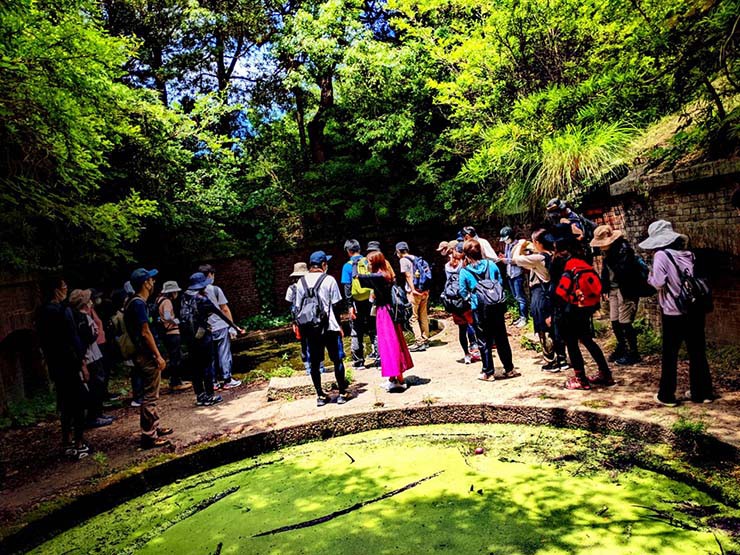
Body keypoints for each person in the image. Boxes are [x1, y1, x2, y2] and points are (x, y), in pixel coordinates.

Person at [639, 220, 714, 406]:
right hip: (695, 309)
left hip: (674, 312)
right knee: (697, 352)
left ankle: (667, 395)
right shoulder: (689, 254)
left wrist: (648, 275)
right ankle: (702, 393)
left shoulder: (661, 256)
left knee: (670, 354)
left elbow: (657, 282)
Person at [549, 228, 612, 390]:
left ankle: (581, 379)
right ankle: (605, 373)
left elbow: (557, 290)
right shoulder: (582, 257)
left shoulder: (559, 261)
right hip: (585, 306)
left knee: (571, 343)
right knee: (587, 340)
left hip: (567, 308)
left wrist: (553, 313)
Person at [37, 277, 90, 460]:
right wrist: (82, 363)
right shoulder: (63, 311)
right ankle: (79, 443)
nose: (66, 289)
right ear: (57, 289)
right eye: (64, 286)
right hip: (69, 363)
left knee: (65, 403)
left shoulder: (41, 312)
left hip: (55, 364)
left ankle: (66, 441)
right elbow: (74, 338)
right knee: (78, 403)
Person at [124, 268, 173, 449]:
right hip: (146, 355)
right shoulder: (138, 304)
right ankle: (149, 436)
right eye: (151, 280)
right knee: (150, 395)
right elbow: (145, 332)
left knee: (151, 393)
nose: (153, 282)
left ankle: (155, 427)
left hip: (141, 354)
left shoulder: (132, 302)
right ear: (145, 283)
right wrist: (158, 356)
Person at [293, 251, 351, 406]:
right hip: (330, 327)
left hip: (310, 330)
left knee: (314, 363)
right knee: (337, 359)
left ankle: (320, 395)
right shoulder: (329, 280)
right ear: (323, 265)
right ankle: (342, 393)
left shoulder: (301, 282)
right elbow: (337, 305)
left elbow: (297, 308)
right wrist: (339, 326)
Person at [458, 239, 517, 382]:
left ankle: (488, 372)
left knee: (484, 340)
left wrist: (472, 299)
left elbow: (462, 291)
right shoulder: (491, 265)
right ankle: (509, 369)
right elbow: (500, 283)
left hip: (479, 309)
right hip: (496, 306)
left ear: (466, 254)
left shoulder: (464, 272)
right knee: (501, 337)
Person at [181, 272, 242, 406]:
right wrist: (235, 327)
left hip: (190, 338)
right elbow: (220, 313)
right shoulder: (202, 299)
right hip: (203, 336)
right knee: (207, 366)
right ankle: (209, 395)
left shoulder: (184, 297)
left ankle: (200, 396)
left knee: (195, 368)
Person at [358, 251, 414, 391]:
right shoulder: (386, 274)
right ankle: (393, 378)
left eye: (370, 262)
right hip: (390, 311)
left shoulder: (379, 277)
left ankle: (399, 379)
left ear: (375, 262)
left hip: (384, 313)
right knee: (394, 342)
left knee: (389, 344)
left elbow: (358, 277)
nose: (368, 264)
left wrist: (355, 262)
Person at [513, 230, 567, 371]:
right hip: (553, 294)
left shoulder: (539, 258)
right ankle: (562, 359)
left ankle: (551, 361)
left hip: (541, 294)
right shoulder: (554, 255)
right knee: (555, 326)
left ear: (537, 243)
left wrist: (520, 244)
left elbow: (516, 259)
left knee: (544, 329)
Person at [590, 225, 645, 366]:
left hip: (626, 289)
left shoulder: (624, 251)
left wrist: (611, 259)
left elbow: (625, 273)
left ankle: (633, 352)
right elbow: (606, 272)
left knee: (625, 322)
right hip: (613, 289)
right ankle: (622, 347)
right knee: (614, 320)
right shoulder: (607, 253)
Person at [69, 289, 113, 428]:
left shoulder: (82, 317)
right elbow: (87, 337)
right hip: (90, 356)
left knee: (99, 384)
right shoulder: (81, 318)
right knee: (95, 385)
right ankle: (93, 416)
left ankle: (98, 413)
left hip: (94, 354)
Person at [198, 264, 243, 390]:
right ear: (210, 275)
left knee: (210, 356)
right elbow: (224, 309)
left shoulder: (196, 292)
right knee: (224, 353)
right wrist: (232, 326)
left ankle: (213, 382)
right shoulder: (215, 290)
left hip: (206, 328)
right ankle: (227, 379)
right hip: (221, 326)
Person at [341, 239, 376, 370]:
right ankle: (378, 358)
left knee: (356, 330)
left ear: (349, 251)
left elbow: (347, 287)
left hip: (356, 302)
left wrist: (349, 306)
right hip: (371, 300)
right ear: (360, 249)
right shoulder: (368, 261)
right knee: (374, 327)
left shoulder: (347, 266)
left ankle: (358, 362)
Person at [286, 262, 326, 375]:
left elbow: (291, 306)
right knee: (318, 341)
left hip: (300, 320)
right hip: (315, 318)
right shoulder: (311, 284)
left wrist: (293, 322)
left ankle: (308, 368)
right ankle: (321, 367)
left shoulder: (291, 288)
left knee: (304, 344)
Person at [443, 241, 479, 364]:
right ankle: (477, 349)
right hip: (464, 301)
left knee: (461, 330)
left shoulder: (447, 266)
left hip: (453, 302)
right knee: (474, 325)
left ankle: (466, 355)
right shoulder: (463, 266)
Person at [156, 281, 192, 392]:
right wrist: (176, 321)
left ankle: (175, 380)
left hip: (165, 333)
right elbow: (167, 316)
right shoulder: (167, 301)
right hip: (171, 332)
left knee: (174, 357)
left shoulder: (159, 300)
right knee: (176, 358)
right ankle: (176, 382)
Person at [395, 241, 430, 352]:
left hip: (414, 292)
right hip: (424, 291)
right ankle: (425, 339)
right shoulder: (416, 258)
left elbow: (408, 275)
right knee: (423, 315)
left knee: (413, 318)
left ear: (398, 251)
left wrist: (413, 290)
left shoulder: (403, 260)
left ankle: (419, 342)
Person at [500, 226, 529, 328]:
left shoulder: (518, 245)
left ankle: (524, 318)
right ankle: (520, 317)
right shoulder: (507, 245)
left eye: (506, 238)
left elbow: (518, 260)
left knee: (521, 297)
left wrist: (506, 260)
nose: (505, 241)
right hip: (510, 274)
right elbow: (509, 257)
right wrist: (504, 258)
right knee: (516, 297)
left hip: (517, 274)